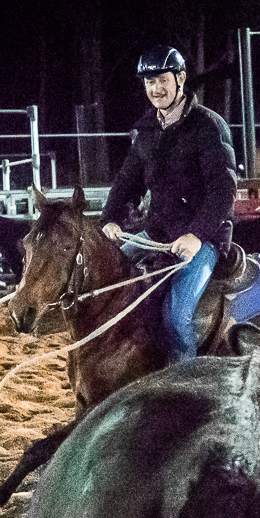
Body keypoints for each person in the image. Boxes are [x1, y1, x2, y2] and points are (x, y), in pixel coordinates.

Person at [100, 45, 237, 360]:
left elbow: (223, 189)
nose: (156, 89)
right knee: (106, 282)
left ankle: (184, 380)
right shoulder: (146, 131)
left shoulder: (208, 126)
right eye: (150, 82)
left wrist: (196, 235)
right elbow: (126, 182)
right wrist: (110, 219)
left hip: (203, 240)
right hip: (156, 234)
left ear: (181, 79)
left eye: (163, 80)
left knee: (177, 318)